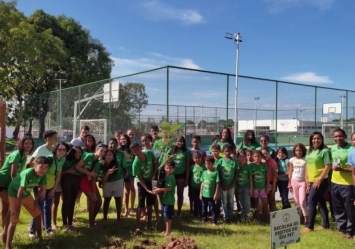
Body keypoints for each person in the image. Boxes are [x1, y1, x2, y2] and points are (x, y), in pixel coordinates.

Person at [5, 156, 50, 249]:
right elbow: (20, 191)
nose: (43, 170)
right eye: (41, 167)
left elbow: (41, 189)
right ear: (35, 165)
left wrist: (37, 201)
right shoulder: (28, 173)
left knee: (37, 214)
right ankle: (8, 245)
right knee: (14, 218)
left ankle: (40, 238)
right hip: (15, 193)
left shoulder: (42, 175)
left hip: (26, 194)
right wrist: (17, 208)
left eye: (46, 167)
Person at [29, 142, 67, 237]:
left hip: (51, 187)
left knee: (47, 208)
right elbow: (42, 173)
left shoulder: (63, 159)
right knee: (39, 208)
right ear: (55, 149)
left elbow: (58, 175)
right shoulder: (50, 158)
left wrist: (54, 189)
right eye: (60, 149)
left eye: (64, 149)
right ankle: (32, 231)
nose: (62, 151)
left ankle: (48, 229)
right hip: (41, 187)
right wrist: (44, 189)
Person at [0, 137, 34, 243]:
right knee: (12, 207)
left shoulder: (24, 156)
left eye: (30, 144)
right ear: (21, 144)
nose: (28, 145)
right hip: (3, 184)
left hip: (8, 184)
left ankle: (3, 234)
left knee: (6, 208)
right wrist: (16, 189)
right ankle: (5, 233)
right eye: (26, 143)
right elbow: (13, 174)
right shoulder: (17, 154)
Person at [303, 132, 331, 233]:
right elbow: (307, 164)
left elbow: (328, 166)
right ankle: (326, 225)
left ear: (322, 139)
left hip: (321, 181)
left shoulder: (325, 151)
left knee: (311, 202)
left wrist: (319, 179)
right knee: (321, 203)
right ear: (311, 140)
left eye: (318, 138)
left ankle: (310, 227)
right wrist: (306, 179)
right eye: (314, 139)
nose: (316, 140)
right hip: (310, 181)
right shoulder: (309, 151)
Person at [330, 128, 355, 239]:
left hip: (348, 183)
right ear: (333, 138)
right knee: (338, 207)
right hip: (334, 182)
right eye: (336, 136)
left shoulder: (351, 149)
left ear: (345, 136)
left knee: (349, 208)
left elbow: (354, 169)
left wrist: (341, 169)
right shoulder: (333, 148)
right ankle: (342, 228)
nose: (338, 138)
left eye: (340, 136)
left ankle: (350, 231)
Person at [75, 144, 106, 227]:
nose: (103, 153)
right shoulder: (89, 156)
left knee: (99, 201)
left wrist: (95, 193)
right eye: (101, 150)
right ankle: (91, 223)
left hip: (90, 181)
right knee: (92, 200)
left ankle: (92, 220)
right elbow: (78, 167)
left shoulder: (99, 162)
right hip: (81, 179)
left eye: (104, 151)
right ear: (96, 150)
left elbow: (94, 176)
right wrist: (88, 173)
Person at [131, 142, 156, 234]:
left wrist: (154, 174)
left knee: (150, 203)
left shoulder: (149, 153)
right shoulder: (135, 163)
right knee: (140, 204)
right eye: (134, 151)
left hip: (151, 180)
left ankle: (149, 223)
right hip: (141, 183)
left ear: (141, 148)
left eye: (137, 149)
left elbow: (155, 163)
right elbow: (140, 179)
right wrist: (147, 189)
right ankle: (137, 226)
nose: (137, 152)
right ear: (133, 153)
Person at [166, 136, 191, 217]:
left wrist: (187, 179)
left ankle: (179, 212)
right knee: (171, 193)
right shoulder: (172, 150)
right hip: (172, 175)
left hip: (181, 175)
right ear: (175, 142)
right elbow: (166, 160)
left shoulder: (186, 152)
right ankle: (172, 211)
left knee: (180, 194)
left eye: (181, 141)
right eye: (178, 141)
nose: (179, 143)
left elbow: (188, 166)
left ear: (184, 142)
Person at [101, 149, 127, 221]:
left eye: (110, 155)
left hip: (118, 181)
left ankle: (118, 217)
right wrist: (108, 173)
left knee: (118, 199)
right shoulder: (101, 164)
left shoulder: (117, 164)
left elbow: (124, 168)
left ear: (113, 157)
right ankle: (105, 217)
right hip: (107, 183)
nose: (108, 156)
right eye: (106, 154)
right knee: (107, 199)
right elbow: (102, 182)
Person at [61, 146, 83, 230]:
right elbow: (59, 172)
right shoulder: (65, 160)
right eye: (76, 152)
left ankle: (70, 223)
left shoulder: (81, 161)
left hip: (76, 180)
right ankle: (64, 224)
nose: (78, 154)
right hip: (67, 180)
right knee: (66, 201)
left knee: (72, 202)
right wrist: (67, 171)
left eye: (79, 152)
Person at [153, 159, 176, 236]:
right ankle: (166, 230)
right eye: (167, 168)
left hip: (169, 201)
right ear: (164, 168)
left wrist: (159, 189)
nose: (168, 170)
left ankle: (168, 231)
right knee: (164, 215)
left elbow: (169, 188)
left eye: (170, 168)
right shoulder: (165, 176)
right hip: (164, 200)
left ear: (173, 169)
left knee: (168, 217)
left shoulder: (171, 177)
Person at [216, 144, 238, 223]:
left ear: (231, 151)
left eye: (229, 151)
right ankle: (226, 217)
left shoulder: (234, 161)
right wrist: (221, 184)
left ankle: (231, 216)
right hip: (223, 185)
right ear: (223, 152)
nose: (228, 152)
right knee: (224, 201)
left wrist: (232, 183)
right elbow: (218, 173)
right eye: (226, 151)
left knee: (231, 201)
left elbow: (236, 173)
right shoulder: (220, 161)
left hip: (232, 185)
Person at [288, 143, 308, 225]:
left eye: (300, 150)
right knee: (296, 201)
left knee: (302, 201)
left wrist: (307, 183)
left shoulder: (306, 160)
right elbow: (290, 171)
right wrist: (289, 182)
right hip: (294, 181)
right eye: (296, 150)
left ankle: (306, 218)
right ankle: (297, 219)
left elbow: (307, 172)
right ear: (294, 151)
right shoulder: (292, 160)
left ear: (303, 150)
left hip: (302, 182)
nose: (298, 152)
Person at [200, 156, 220, 225]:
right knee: (203, 208)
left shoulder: (215, 172)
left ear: (213, 164)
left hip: (211, 195)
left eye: (209, 164)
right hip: (204, 194)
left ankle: (214, 221)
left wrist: (216, 193)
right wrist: (200, 193)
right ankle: (204, 219)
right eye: (206, 164)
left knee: (213, 208)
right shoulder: (204, 173)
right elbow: (202, 183)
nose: (207, 165)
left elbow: (217, 183)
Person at [119, 134, 136, 217]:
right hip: (120, 173)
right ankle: (122, 210)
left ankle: (127, 210)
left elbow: (130, 159)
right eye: (121, 139)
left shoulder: (131, 149)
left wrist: (124, 153)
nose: (122, 140)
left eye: (124, 139)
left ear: (127, 139)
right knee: (120, 192)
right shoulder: (118, 149)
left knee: (127, 192)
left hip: (129, 172)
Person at [251, 150, 268, 222]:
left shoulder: (264, 165)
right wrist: (251, 188)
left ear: (261, 157)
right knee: (256, 203)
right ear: (253, 157)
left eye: (259, 156)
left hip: (263, 188)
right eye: (255, 156)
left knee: (265, 202)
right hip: (255, 188)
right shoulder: (251, 166)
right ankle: (257, 217)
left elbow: (267, 177)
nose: (257, 158)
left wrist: (267, 186)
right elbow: (250, 178)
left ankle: (266, 216)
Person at [236, 150, 253, 221]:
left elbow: (250, 178)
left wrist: (251, 188)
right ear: (237, 157)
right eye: (240, 157)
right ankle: (243, 217)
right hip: (238, 187)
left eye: (243, 157)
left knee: (247, 203)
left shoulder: (248, 167)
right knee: (242, 203)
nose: (242, 158)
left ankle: (248, 218)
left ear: (246, 157)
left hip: (246, 187)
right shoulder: (236, 166)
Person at [189, 151, 206, 218]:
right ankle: (195, 213)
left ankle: (202, 213)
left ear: (201, 158)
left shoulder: (204, 166)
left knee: (201, 201)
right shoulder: (192, 167)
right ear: (193, 159)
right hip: (194, 187)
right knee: (195, 200)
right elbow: (190, 175)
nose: (197, 159)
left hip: (202, 187)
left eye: (198, 158)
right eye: (195, 158)